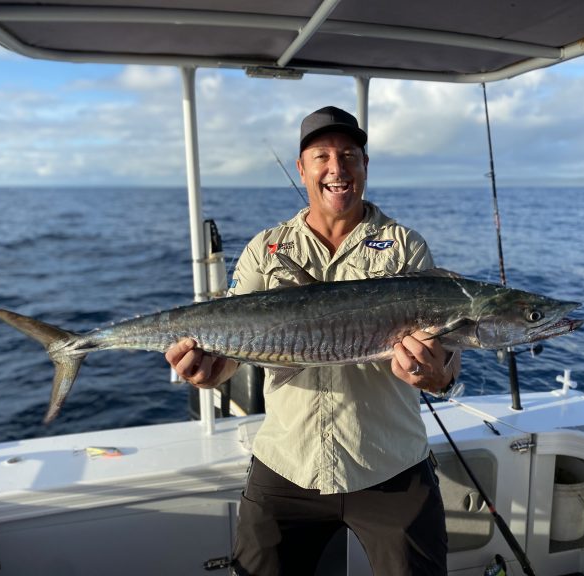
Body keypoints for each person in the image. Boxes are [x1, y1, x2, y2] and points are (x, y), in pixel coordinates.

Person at [165, 106, 460, 575]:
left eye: (349, 156)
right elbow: (229, 359)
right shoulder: (266, 249)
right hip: (287, 463)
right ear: (302, 169)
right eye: (321, 155)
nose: (336, 168)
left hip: (390, 464)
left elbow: (445, 363)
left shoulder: (405, 246)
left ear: (365, 166)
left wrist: (435, 375)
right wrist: (207, 372)